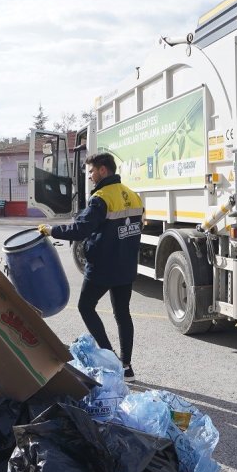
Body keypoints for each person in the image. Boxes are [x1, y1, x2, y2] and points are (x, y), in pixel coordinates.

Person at [39, 153, 144, 381]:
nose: (90, 176)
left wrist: (52, 230)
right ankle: (126, 366)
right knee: (123, 314)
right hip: (126, 265)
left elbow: (80, 229)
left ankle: (110, 357)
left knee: (85, 306)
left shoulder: (101, 198)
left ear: (103, 170)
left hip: (103, 266)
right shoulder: (133, 195)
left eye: (91, 171)